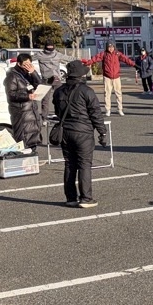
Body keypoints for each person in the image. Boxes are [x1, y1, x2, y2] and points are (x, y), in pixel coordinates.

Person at [52, 61, 110, 207]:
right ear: (81, 75)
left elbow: (58, 112)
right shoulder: (86, 91)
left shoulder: (59, 91)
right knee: (84, 164)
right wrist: (102, 132)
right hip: (83, 131)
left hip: (66, 131)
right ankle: (86, 198)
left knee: (70, 164)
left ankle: (71, 198)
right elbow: (95, 113)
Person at [4, 53, 44, 148]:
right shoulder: (12, 76)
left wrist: (33, 72)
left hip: (31, 111)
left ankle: (32, 159)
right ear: (19, 64)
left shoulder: (27, 74)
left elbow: (40, 85)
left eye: (30, 64)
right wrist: (27, 96)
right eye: (25, 64)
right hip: (21, 113)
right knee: (23, 141)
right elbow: (11, 94)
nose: (28, 66)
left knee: (33, 140)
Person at [88, 42, 135, 116]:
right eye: (109, 47)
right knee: (107, 94)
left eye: (112, 47)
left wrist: (134, 64)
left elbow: (125, 59)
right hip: (107, 77)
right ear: (107, 47)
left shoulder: (117, 54)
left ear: (114, 47)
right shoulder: (104, 54)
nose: (111, 48)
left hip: (116, 77)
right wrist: (88, 62)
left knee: (118, 93)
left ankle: (120, 109)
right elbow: (95, 58)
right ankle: (108, 110)